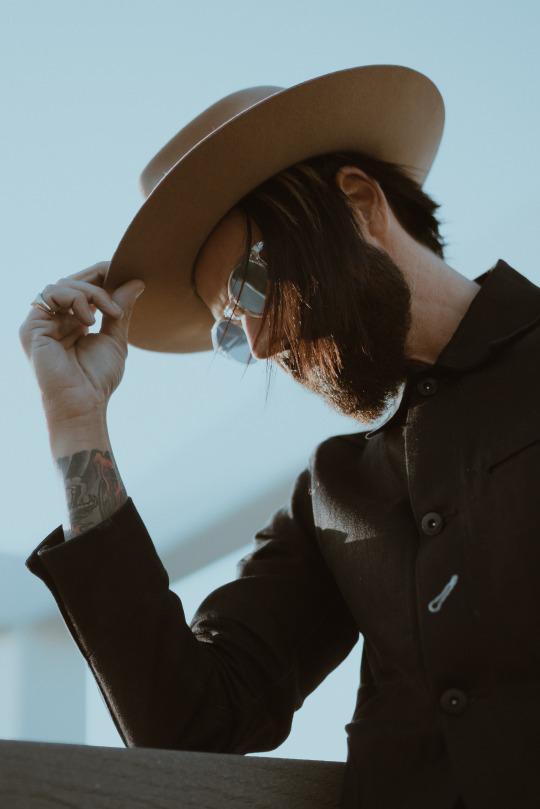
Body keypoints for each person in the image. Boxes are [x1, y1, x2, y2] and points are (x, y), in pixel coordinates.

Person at [19, 66, 540, 808]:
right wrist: (78, 423)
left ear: (359, 203)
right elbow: (189, 722)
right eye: (231, 330)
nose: (261, 345)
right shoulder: (334, 493)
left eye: (251, 285)